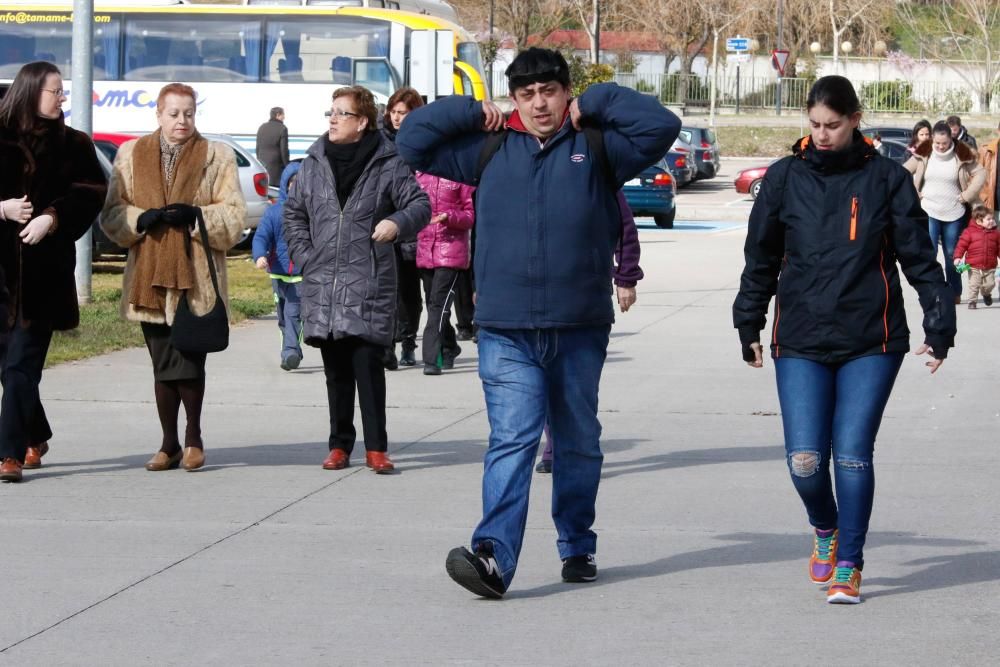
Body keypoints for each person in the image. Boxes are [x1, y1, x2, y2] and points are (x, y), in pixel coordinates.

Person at [397, 47, 679, 598]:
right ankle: (493, 557)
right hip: (506, 326)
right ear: (514, 98)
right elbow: (411, 140)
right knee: (512, 440)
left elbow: (661, 125)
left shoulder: (598, 147)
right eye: (526, 94)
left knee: (577, 442)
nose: (539, 103)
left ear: (565, 91)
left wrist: (596, 102)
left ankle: (577, 541)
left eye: (549, 91)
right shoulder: (489, 147)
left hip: (579, 325)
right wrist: (472, 110)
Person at [734, 75, 957, 605]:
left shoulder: (886, 180)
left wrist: (939, 322)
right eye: (814, 125)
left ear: (855, 120)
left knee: (853, 455)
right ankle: (825, 527)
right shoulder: (784, 178)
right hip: (801, 338)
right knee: (805, 460)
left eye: (833, 125)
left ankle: (850, 564)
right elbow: (759, 258)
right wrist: (748, 321)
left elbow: (918, 259)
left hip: (871, 339)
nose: (822, 134)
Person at [283, 85, 429, 474]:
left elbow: (420, 205)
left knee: (367, 367)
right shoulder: (313, 162)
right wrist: (305, 255)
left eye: (341, 113)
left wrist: (395, 223)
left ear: (361, 122)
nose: (332, 119)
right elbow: (293, 213)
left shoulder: (388, 161)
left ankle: (377, 448)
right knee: (336, 373)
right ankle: (339, 445)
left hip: (368, 281)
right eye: (330, 112)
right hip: (324, 280)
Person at [102, 82, 246, 473]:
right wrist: (139, 219)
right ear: (159, 114)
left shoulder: (217, 155)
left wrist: (197, 217)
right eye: (174, 113)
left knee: (190, 359)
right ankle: (168, 443)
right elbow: (112, 212)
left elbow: (234, 217)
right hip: (148, 278)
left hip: (195, 277)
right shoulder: (131, 154)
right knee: (162, 361)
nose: (182, 120)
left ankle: (193, 437)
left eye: (189, 113)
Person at [0, 61, 108, 483]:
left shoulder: (73, 144)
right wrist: (3, 208)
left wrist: (52, 217)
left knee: (20, 366)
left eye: (63, 91)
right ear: (31, 92)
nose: (63, 98)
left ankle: (8, 454)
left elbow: (92, 191)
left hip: (44, 276)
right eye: (56, 91)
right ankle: (36, 432)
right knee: (6, 364)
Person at [536, 190, 643, 474]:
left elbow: (624, 226)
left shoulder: (593, 169)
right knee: (541, 380)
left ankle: (575, 448)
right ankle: (554, 444)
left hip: (583, 299)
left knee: (576, 389)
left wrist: (626, 276)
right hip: (532, 299)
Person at [903, 121, 986, 303]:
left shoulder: (962, 153)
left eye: (945, 143)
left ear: (951, 139)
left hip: (954, 212)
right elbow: (902, 172)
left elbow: (981, 173)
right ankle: (933, 291)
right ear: (933, 138)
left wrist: (967, 194)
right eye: (938, 143)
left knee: (952, 255)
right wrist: (914, 191)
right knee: (929, 252)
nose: (941, 147)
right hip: (929, 210)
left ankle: (955, 291)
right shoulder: (924, 151)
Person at [380, 87, 424, 369]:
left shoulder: (421, 141)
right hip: (385, 222)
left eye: (403, 113)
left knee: (410, 291)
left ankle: (409, 341)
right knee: (387, 290)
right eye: (394, 112)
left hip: (415, 221)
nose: (397, 118)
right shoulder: (379, 142)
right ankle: (389, 345)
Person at [414, 169, 475, 375]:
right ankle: (450, 347)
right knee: (435, 306)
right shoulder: (420, 176)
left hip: (451, 252)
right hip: (425, 251)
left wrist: (448, 217)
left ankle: (431, 359)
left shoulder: (460, 177)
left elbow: (470, 216)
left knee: (438, 306)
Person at [253, 161, 304, 369]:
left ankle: (291, 351)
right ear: (285, 185)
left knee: (293, 312)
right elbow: (261, 237)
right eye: (292, 183)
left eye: (300, 183)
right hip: (278, 273)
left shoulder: (311, 211)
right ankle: (289, 353)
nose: (296, 187)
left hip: (301, 274)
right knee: (283, 316)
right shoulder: (274, 213)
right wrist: (259, 256)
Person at [953, 205, 999, 309]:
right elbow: (961, 245)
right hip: (973, 265)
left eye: (992, 219)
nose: (992, 221)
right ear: (979, 221)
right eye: (988, 219)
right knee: (974, 284)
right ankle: (972, 302)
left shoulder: (996, 234)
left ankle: (986, 293)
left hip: (990, 265)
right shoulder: (969, 232)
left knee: (990, 284)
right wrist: (957, 257)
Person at [256, 106, 290, 188]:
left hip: (262, 166)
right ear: (278, 115)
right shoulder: (282, 128)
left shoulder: (262, 127)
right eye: (283, 115)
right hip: (276, 169)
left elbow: (257, 148)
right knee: (275, 194)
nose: (284, 117)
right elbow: (284, 151)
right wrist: (287, 166)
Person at [978, 120, 999, 211]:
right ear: (998, 131)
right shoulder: (986, 150)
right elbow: (974, 177)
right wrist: (984, 198)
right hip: (992, 206)